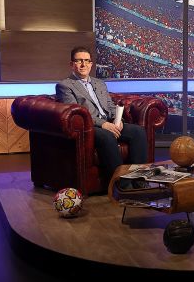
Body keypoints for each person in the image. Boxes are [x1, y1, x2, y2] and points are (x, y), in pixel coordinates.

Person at [56, 47, 147, 186]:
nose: (83, 64)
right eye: (79, 61)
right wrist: (103, 124)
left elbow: (110, 105)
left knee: (138, 132)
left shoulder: (99, 83)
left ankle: (139, 182)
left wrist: (118, 120)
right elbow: (76, 113)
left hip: (109, 122)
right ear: (71, 64)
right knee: (107, 136)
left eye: (87, 61)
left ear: (91, 64)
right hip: (89, 126)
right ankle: (122, 186)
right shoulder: (65, 85)